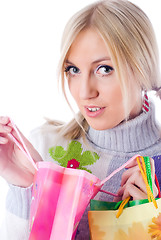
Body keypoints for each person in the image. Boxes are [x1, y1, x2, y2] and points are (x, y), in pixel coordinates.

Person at [0, 0, 161, 239]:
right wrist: (28, 189)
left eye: (104, 69)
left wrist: (149, 227)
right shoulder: (43, 150)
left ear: (143, 68)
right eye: (73, 70)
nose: (85, 92)